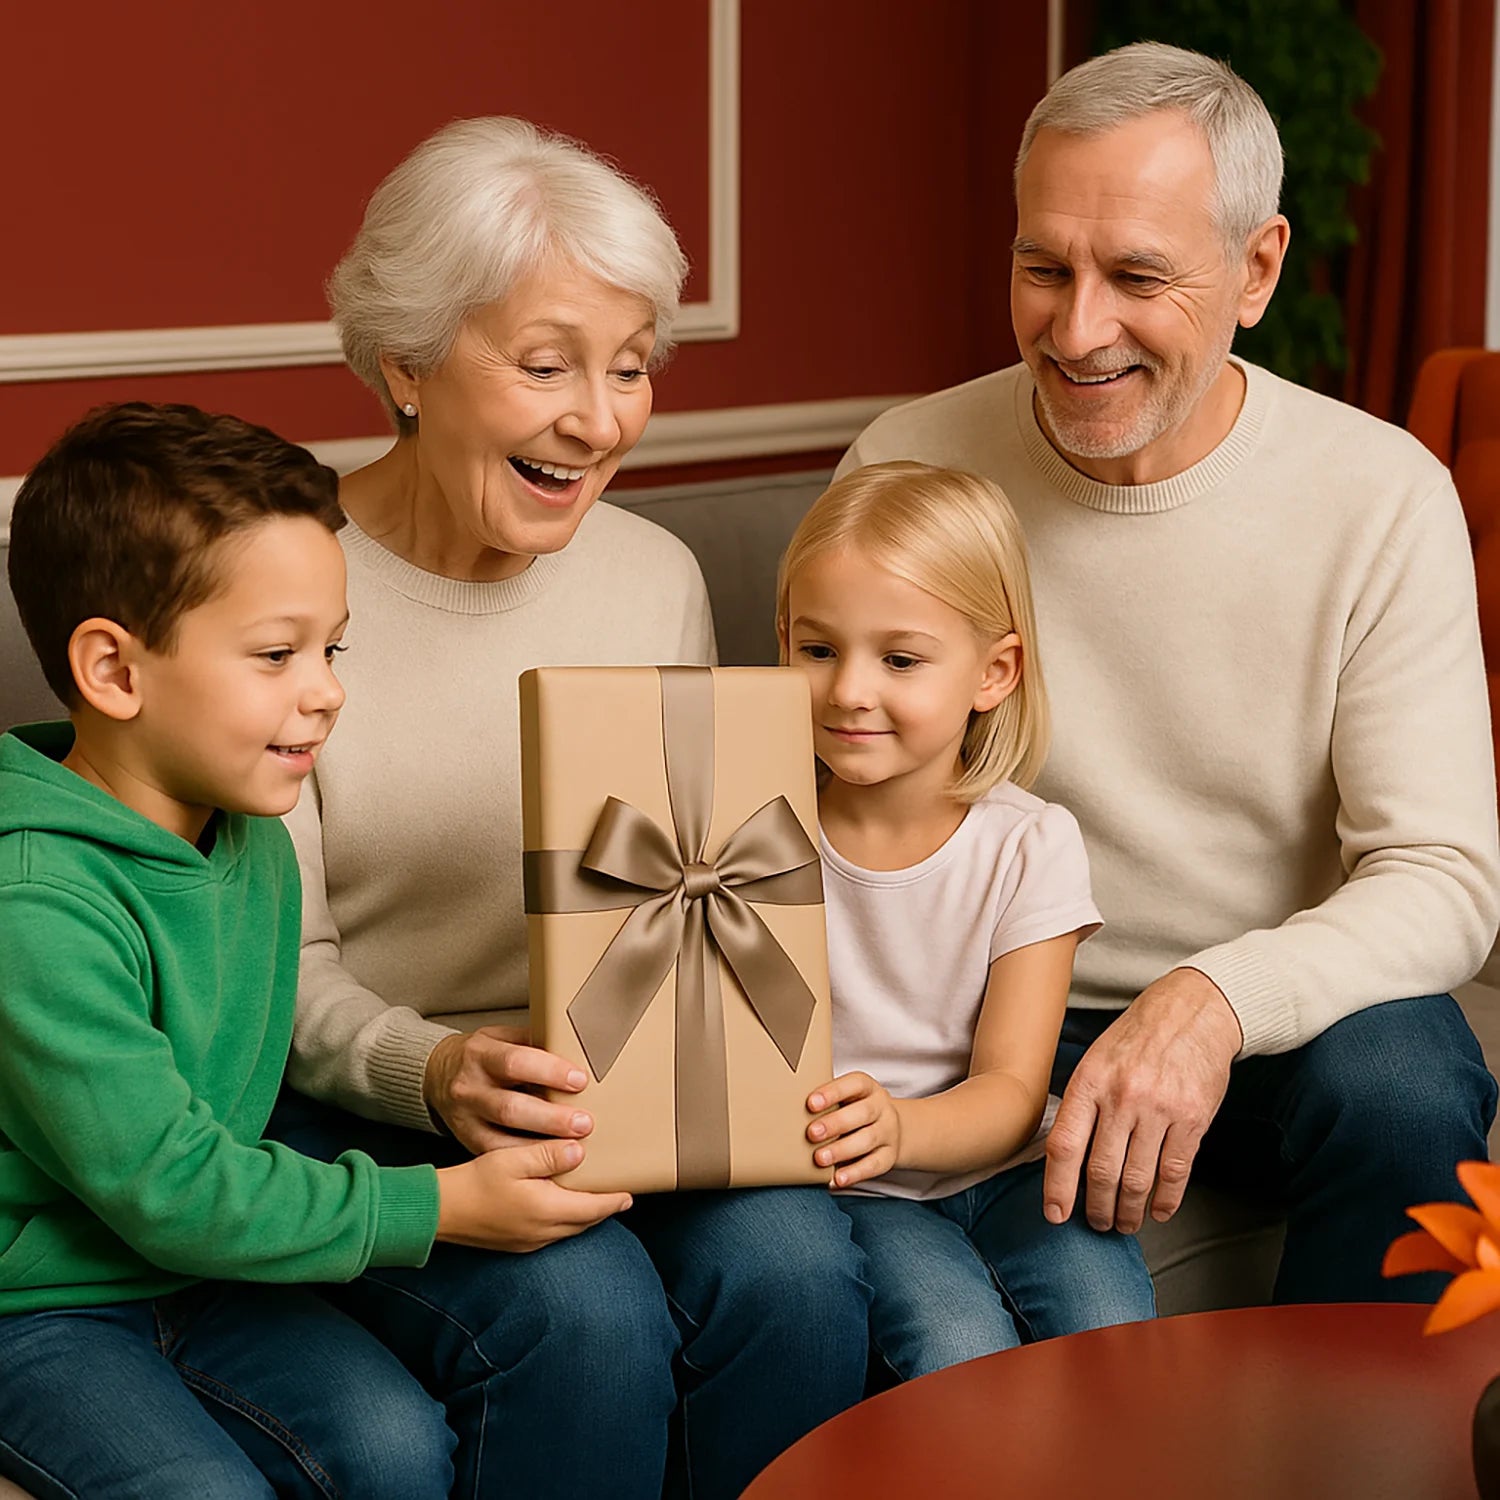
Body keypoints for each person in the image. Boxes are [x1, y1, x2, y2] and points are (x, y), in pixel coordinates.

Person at [837, 41, 1500, 1304]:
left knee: (1409, 1087)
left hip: (1262, 1022)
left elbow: (1444, 879)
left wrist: (1213, 998)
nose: (1078, 329)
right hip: (966, 1016)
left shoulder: (1380, 497)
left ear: (1258, 269)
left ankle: (1360, 1424)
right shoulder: (910, 464)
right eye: (1044, 268)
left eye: (1138, 276)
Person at [273, 116, 869, 1499]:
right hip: (375, 1101)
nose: (599, 421)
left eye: (630, 367)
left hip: (635, 1093)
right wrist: (438, 1070)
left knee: (794, 1273)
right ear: (407, 362)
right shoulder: (278, 580)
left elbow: (703, 891)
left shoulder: (654, 576)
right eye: (545, 366)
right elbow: (275, 963)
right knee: (586, 1319)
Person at [0, 402, 589, 1497]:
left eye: (332, 647)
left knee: (395, 1445)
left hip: (199, 1270)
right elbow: (171, 1184)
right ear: (115, 672)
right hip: (35, 1307)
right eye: (277, 654)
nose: (326, 691)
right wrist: (443, 1206)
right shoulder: (33, 900)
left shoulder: (250, 831)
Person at [776, 460, 1155, 1381]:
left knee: (1113, 1336)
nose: (849, 690)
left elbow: (1012, 1089)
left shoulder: (1030, 844)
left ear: (994, 672)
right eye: (818, 650)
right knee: (955, 1349)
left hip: (1011, 1168)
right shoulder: (751, 836)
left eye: (899, 660)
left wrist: (904, 1127)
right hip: (861, 1193)